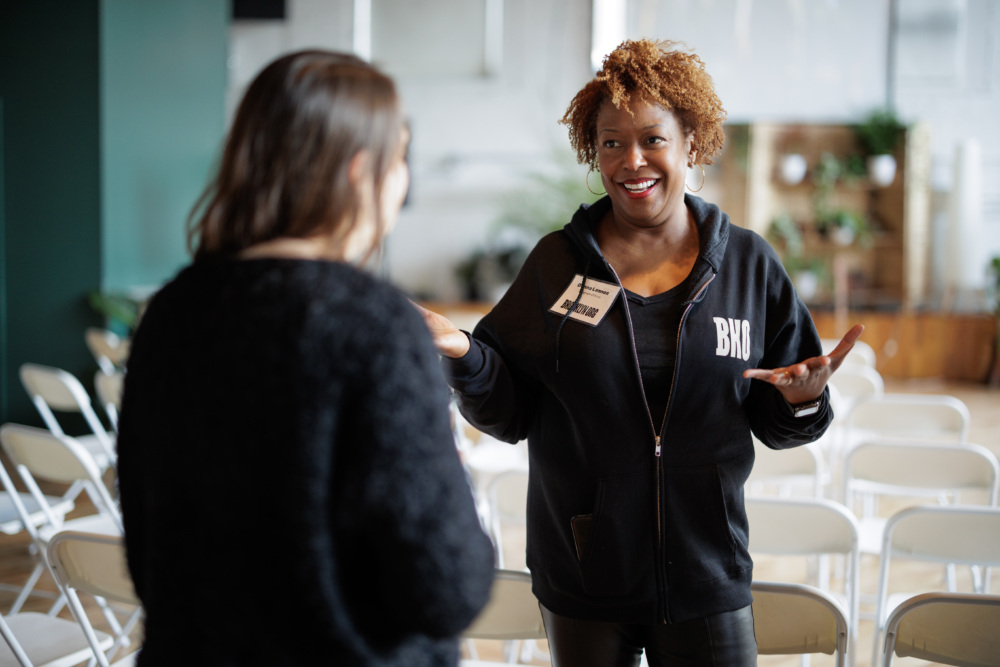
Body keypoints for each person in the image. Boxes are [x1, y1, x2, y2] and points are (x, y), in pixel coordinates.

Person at [418, 39, 863, 666]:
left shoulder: (747, 265)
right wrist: (462, 352)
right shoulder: (559, 264)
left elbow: (778, 420)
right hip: (583, 575)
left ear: (691, 142)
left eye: (653, 139)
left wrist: (802, 399)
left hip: (708, 571)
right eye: (611, 143)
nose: (632, 161)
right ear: (593, 151)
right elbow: (510, 411)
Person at [116, 50, 495, 666]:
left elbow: (149, 548)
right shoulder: (374, 324)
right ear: (356, 172)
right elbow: (443, 587)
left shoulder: (170, 313)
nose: (400, 183)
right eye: (399, 159)